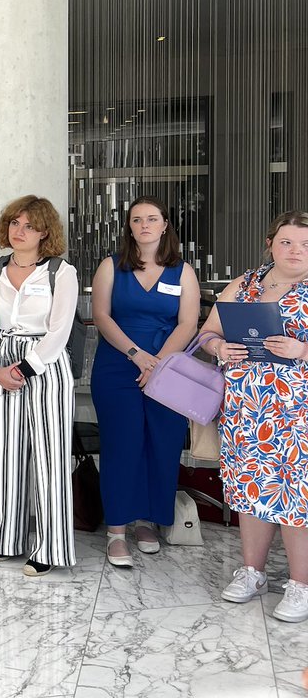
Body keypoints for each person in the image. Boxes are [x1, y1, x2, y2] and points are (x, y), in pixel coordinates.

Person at [199, 210, 308, 622]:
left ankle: (301, 586)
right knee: (251, 490)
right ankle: (253, 572)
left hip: (298, 413)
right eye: (286, 242)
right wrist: (219, 349)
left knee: (298, 495)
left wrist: (301, 351)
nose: (295, 250)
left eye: (304, 244)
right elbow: (208, 332)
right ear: (270, 244)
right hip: (247, 409)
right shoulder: (245, 284)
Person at [90, 197, 199, 567]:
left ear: (165, 225)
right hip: (119, 365)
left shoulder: (182, 271)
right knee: (122, 444)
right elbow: (101, 316)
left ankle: (147, 522)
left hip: (168, 370)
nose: (145, 225)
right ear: (130, 227)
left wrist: (159, 365)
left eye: (152, 219)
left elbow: (188, 323)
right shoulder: (111, 267)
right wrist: (138, 356)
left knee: (161, 444)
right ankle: (117, 530)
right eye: (137, 220)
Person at [0, 195, 79, 577]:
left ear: (45, 233)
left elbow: (60, 331)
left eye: (30, 226)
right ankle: (7, 539)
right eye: (15, 224)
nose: (19, 232)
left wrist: (25, 368)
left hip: (46, 365)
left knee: (51, 458)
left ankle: (50, 547)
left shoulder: (60, 272)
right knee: (8, 454)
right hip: (3, 363)